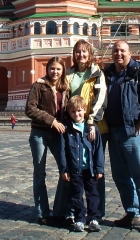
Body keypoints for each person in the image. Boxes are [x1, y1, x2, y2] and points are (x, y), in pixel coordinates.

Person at [104, 40, 140, 235]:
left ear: (130, 53)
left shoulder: (139, 72)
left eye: (122, 51)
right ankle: (132, 212)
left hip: (134, 132)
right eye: (115, 51)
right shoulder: (108, 74)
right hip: (114, 131)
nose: (118, 54)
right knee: (120, 176)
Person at [65, 40, 108, 219]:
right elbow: (63, 98)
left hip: (95, 128)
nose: (80, 55)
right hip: (74, 128)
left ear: (90, 54)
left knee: (95, 170)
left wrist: (91, 122)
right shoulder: (68, 74)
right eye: (77, 52)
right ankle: (73, 210)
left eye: (84, 52)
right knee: (72, 170)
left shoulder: (97, 73)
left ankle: (96, 213)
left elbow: (101, 99)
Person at [25, 56, 70, 225]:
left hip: (59, 135)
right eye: (52, 68)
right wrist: (51, 121)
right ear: (47, 68)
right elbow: (30, 108)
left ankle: (60, 210)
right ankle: (43, 212)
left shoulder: (66, 87)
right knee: (40, 173)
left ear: (63, 70)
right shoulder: (38, 85)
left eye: (58, 69)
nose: (55, 72)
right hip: (40, 133)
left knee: (66, 171)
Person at [60, 96, 104, 232]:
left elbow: (98, 150)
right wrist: (64, 169)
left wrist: (99, 168)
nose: (76, 114)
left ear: (84, 110)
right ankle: (79, 219)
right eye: (73, 112)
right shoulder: (67, 130)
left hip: (90, 170)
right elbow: (63, 151)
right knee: (76, 195)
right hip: (75, 170)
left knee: (93, 194)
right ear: (69, 113)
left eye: (79, 111)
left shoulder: (92, 129)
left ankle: (94, 218)